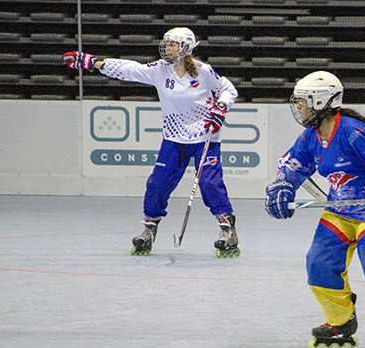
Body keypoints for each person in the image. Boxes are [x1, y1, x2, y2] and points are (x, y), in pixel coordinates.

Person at [264, 71, 365, 348]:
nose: (298, 108)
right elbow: (293, 164)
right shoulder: (311, 137)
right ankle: (340, 321)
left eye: (303, 102)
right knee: (319, 262)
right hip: (340, 210)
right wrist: (282, 185)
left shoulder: (353, 131)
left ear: (321, 101)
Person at [62, 27, 240, 257]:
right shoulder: (159, 70)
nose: (167, 47)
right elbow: (129, 69)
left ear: (185, 48)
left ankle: (228, 230)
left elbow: (228, 89)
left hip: (205, 137)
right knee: (158, 184)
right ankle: (149, 229)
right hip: (174, 139)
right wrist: (93, 62)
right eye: (166, 43)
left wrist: (221, 108)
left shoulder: (203, 72)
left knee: (209, 183)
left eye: (172, 44)